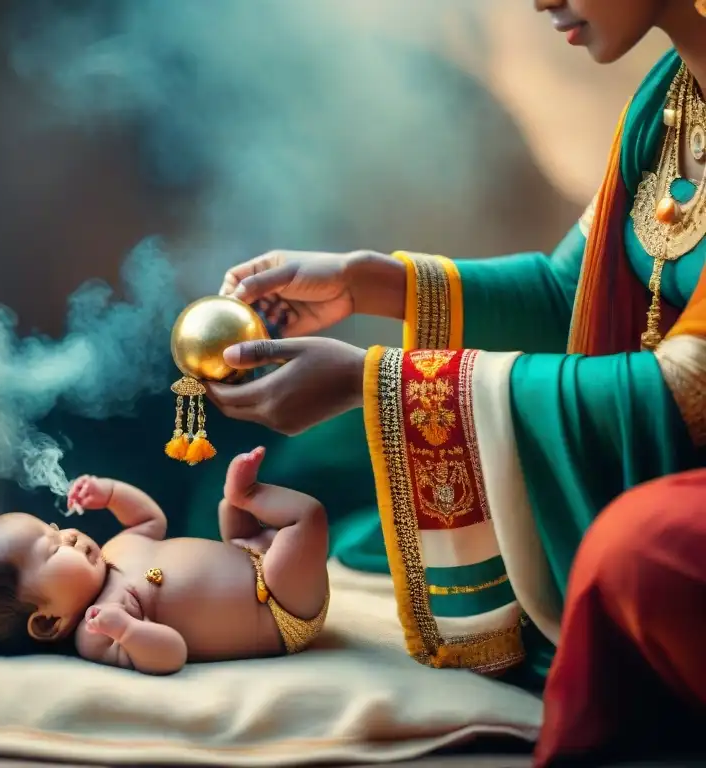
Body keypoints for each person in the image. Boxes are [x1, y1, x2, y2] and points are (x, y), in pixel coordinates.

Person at [205, 1, 706, 764]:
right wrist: (365, 283)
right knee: (373, 516)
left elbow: (682, 393)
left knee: (635, 553)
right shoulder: (672, 99)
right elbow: (563, 290)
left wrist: (373, 382)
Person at [0, 446, 330, 674]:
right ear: (46, 621)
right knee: (307, 518)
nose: (69, 535)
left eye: (55, 527)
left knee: (227, 511)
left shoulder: (113, 552)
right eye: (53, 548)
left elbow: (149, 520)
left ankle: (242, 502)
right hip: (279, 608)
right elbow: (171, 654)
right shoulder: (100, 627)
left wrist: (109, 494)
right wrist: (126, 630)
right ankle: (250, 495)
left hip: (249, 551)